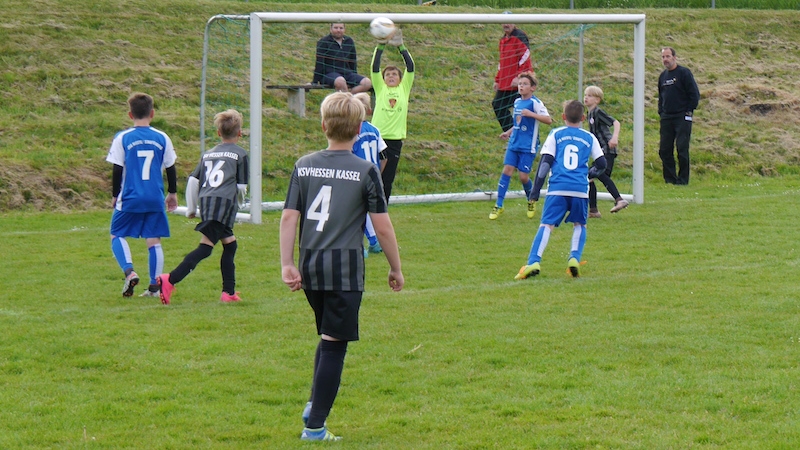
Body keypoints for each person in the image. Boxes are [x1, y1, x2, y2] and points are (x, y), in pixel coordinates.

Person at [279, 92, 404, 442]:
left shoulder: (304, 164)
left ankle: (313, 404)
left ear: (323, 125)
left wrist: (287, 263)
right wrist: (395, 268)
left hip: (311, 266)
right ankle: (315, 428)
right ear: (360, 129)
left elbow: (289, 217)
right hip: (344, 269)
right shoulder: (366, 170)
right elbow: (382, 227)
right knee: (335, 344)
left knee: (328, 334)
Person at [157, 109, 249, 305]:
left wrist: (192, 208)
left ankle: (228, 292)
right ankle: (170, 279)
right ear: (240, 133)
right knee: (205, 248)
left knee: (230, 244)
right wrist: (238, 205)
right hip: (224, 204)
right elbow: (241, 187)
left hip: (208, 202)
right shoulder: (240, 154)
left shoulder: (208, 154)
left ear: (218, 133)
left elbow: (193, 180)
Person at [515, 100, 606, 280]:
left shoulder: (556, 134)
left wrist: (535, 191)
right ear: (583, 118)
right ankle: (574, 259)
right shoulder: (589, 137)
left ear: (563, 116)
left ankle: (533, 261)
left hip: (558, 187)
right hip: (580, 189)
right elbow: (602, 164)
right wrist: (588, 174)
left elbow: (545, 164)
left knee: (546, 225)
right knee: (580, 224)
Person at [106, 92, 178, 297]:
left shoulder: (123, 138)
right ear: (152, 113)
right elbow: (171, 167)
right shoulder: (162, 137)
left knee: (116, 233)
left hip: (131, 196)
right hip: (154, 196)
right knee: (154, 239)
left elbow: (117, 169)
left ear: (130, 115)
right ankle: (155, 288)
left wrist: (115, 194)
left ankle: (129, 272)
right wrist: (172, 193)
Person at [489, 73, 552, 220]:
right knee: (507, 170)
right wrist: (508, 132)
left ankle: (531, 200)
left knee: (523, 177)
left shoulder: (535, 103)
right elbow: (517, 123)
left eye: (525, 84)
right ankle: (499, 205)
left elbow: (548, 120)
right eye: (520, 84)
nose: (521, 86)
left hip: (528, 146)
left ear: (532, 88)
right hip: (514, 143)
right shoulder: (517, 102)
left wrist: (531, 114)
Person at [370, 28, 415, 202]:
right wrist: (380, 45)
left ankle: (383, 209)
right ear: (383, 79)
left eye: (394, 74)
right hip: (378, 138)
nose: (391, 76)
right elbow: (375, 67)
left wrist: (401, 47)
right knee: (372, 177)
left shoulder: (404, 89)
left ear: (400, 79)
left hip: (395, 141)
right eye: (387, 74)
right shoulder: (380, 88)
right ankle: (367, 208)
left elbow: (410, 67)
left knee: (387, 180)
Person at [583, 85, 629, 218]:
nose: (586, 98)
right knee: (590, 177)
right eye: (585, 95)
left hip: (607, 149)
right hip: (601, 150)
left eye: (590, 96)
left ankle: (619, 200)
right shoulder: (590, 114)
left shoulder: (598, 112)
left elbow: (616, 122)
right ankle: (593, 211)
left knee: (598, 174)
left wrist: (615, 137)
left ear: (597, 100)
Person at [658, 47, 700, 185]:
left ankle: (682, 180)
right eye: (663, 57)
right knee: (664, 150)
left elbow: (694, 94)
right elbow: (661, 97)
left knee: (682, 148)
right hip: (666, 117)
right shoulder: (662, 77)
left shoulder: (684, 73)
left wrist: (689, 110)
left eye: (668, 56)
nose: (665, 59)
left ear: (674, 57)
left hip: (682, 116)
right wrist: (661, 112)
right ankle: (670, 179)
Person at [353, 92, 388, 256]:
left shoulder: (352, 131)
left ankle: (365, 245)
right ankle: (375, 243)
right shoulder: (375, 130)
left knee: (356, 210)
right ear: (368, 110)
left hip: (357, 176)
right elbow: (384, 156)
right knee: (372, 208)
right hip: (373, 176)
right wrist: (378, 174)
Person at [492, 14, 533, 134]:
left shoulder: (519, 36)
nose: (506, 24)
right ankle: (512, 134)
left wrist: (520, 77)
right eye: (504, 22)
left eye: (509, 22)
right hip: (506, 82)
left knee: (522, 109)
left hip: (518, 83)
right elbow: (502, 62)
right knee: (498, 105)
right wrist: (498, 79)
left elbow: (525, 57)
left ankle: (525, 134)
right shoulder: (503, 40)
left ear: (514, 23)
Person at [311, 23, 372, 94]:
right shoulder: (324, 42)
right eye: (336, 28)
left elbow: (352, 61)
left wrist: (354, 76)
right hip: (329, 74)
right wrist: (315, 81)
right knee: (340, 81)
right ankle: (346, 100)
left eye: (341, 28)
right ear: (330, 29)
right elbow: (319, 62)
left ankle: (350, 98)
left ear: (344, 29)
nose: (338, 30)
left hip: (347, 73)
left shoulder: (349, 41)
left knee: (367, 82)